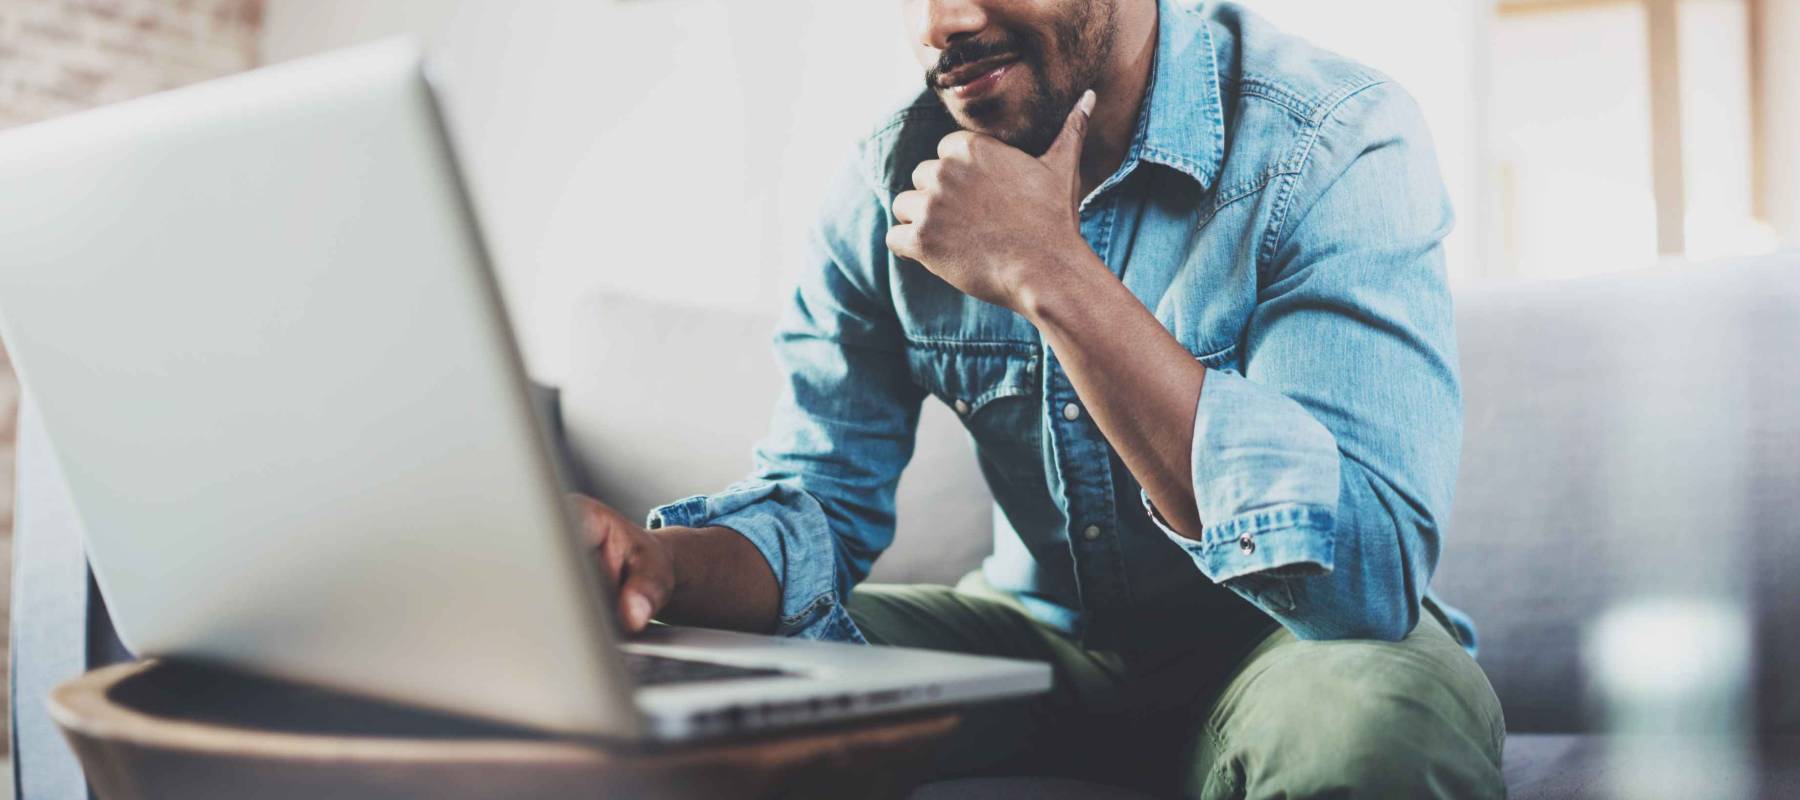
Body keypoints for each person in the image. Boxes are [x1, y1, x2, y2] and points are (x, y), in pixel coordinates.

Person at [569, 0, 1505, 795]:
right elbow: (819, 501)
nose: (944, 23)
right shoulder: (886, 184)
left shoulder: (1330, 138)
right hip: (1032, 642)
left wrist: (1049, 269)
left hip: (1289, 644)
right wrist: (659, 566)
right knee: (678, 676)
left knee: (1377, 723)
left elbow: (1368, 576)